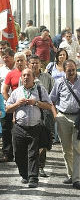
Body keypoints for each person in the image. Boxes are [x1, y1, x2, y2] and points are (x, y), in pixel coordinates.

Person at [6, 68, 53, 188]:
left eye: (28, 75)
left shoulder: (40, 90)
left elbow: (49, 105)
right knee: (18, 154)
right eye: (24, 75)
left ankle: (33, 178)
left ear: (33, 78)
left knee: (33, 154)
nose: (26, 77)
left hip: (35, 127)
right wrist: (17, 104)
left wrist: (36, 103)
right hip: (19, 127)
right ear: (21, 78)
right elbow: (7, 109)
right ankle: (24, 175)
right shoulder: (16, 92)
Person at [49, 59, 80, 189]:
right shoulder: (59, 82)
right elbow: (51, 100)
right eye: (69, 71)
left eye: (73, 69)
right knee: (67, 149)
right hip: (63, 118)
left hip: (79, 118)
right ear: (64, 70)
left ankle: (77, 179)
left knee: (77, 148)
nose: (72, 72)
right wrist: (56, 116)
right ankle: (71, 174)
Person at [0, 52, 27, 163]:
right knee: (6, 129)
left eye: (22, 60)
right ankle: (7, 153)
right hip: (13, 105)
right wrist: (10, 102)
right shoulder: (11, 74)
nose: (20, 62)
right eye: (18, 60)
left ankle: (23, 154)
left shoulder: (28, 73)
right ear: (15, 62)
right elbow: (4, 91)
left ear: (25, 61)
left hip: (26, 106)